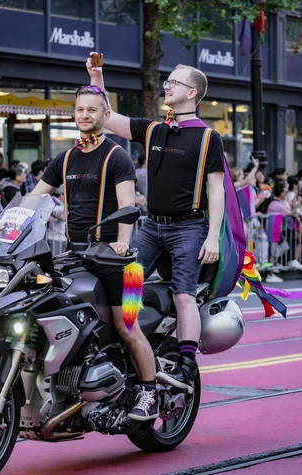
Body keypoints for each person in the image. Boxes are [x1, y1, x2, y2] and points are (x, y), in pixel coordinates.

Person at [87, 55, 226, 392]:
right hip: (151, 227)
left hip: (188, 228)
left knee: (183, 295)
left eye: (174, 82)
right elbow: (107, 118)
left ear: (192, 93)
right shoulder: (153, 129)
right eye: (167, 80)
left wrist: (212, 238)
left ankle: (187, 363)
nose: (167, 85)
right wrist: (96, 78)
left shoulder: (209, 137)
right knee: (129, 283)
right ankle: (129, 337)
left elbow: (216, 189)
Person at [30, 85, 158, 421]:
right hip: (77, 256)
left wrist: (121, 243)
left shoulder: (117, 156)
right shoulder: (65, 159)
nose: (84, 115)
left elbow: (128, 206)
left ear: (104, 114)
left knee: (127, 327)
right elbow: (33, 199)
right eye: (79, 110)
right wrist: (4, 222)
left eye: (91, 110)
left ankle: (148, 391)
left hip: (121, 263)